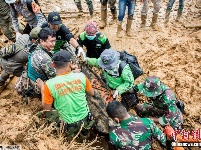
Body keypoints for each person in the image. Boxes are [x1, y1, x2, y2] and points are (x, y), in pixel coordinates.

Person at [41, 50, 94, 138]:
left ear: (53, 65)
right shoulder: (81, 76)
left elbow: (47, 109)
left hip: (68, 125)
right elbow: (91, 93)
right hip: (85, 120)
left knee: (49, 113)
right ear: (70, 63)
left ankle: (67, 136)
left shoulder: (49, 84)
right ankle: (85, 135)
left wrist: (42, 88)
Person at [0, 27, 41, 93]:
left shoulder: (25, 36)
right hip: (12, 66)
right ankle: (25, 90)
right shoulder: (29, 52)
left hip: (4, 58)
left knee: (8, 67)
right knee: (29, 76)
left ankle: (1, 82)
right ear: (33, 40)